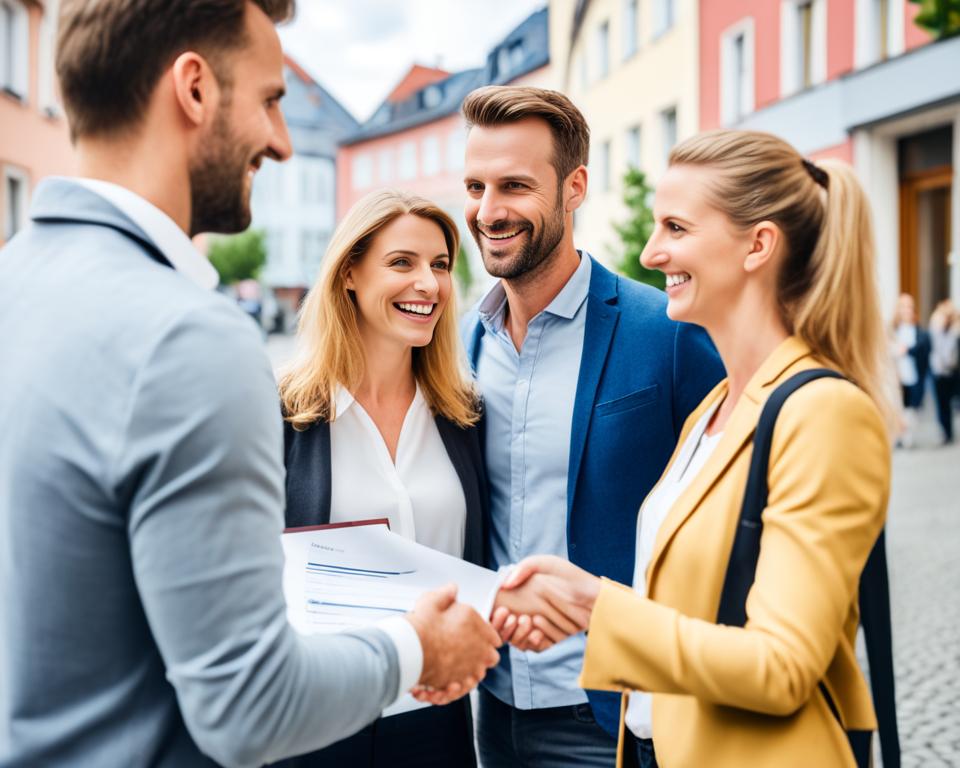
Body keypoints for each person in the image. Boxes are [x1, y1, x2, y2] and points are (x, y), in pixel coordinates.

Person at [0, 2, 500, 766]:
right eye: (271, 99)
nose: (283, 140)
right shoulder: (188, 335)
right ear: (194, 89)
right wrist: (417, 649)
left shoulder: (16, 284)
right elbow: (247, 703)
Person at [494, 130, 896, 768]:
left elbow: (782, 665)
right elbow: (691, 609)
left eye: (676, 227)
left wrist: (599, 608)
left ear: (758, 245)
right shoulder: (714, 409)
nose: (652, 253)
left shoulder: (824, 412)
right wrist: (582, 602)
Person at [455, 86, 724, 768]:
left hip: (617, 717)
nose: (488, 211)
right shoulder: (459, 346)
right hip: (491, 708)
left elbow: (730, 522)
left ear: (574, 187)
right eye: (476, 186)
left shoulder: (665, 333)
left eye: (514, 185)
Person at [274, 189, 487, 767]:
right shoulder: (281, 415)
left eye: (440, 265)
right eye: (402, 262)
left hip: (436, 718)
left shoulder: (464, 416)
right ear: (349, 273)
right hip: (319, 718)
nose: (429, 284)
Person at [891, 292, 930, 448]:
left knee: (912, 410)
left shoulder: (919, 332)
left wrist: (907, 350)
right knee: (899, 408)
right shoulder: (893, 330)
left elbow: (923, 350)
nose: (907, 310)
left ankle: (906, 434)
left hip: (913, 376)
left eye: (909, 307)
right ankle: (900, 435)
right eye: (904, 306)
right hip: (896, 377)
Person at [929, 299, 959, 445]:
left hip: (952, 372)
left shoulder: (955, 331)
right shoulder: (936, 329)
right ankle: (945, 431)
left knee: (951, 403)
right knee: (941, 404)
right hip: (938, 371)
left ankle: (949, 431)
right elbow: (936, 348)